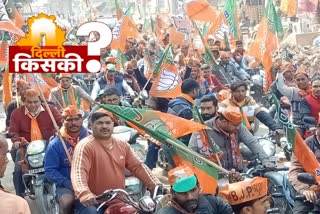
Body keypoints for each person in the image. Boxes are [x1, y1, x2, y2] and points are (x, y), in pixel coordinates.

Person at [71, 108, 162, 214]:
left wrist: (155, 185)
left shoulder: (122, 144)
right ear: (91, 125)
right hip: (93, 201)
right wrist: (84, 193)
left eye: (108, 123)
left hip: (119, 199)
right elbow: (78, 172)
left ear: (113, 124)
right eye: (100, 123)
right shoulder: (85, 146)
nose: (104, 126)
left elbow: (138, 166)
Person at [9, 89, 63, 197]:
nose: (33, 105)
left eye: (35, 102)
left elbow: (61, 123)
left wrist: (61, 132)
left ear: (40, 101)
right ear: (24, 101)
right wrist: (17, 141)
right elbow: (13, 132)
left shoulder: (50, 109)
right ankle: (20, 197)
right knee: (18, 171)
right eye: (29, 102)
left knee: (63, 164)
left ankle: (64, 189)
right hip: (26, 146)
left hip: (49, 144)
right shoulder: (16, 113)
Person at [189, 106, 270, 171]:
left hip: (238, 171)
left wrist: (265, 160)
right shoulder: (203, 129)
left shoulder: (239, 127)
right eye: (235, 125)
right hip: (215, 173)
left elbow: (253, 143)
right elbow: (191, 152)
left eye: (239, 125)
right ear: (224, 122)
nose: (238, 128)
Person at [45, 106, 90, 214]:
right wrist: (68, 183)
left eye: (76, 119)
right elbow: (50, 170)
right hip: (67, 184)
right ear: (63, 121)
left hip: (91, 180)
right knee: (66, 202)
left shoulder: (91, 137)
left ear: (82, 120)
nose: (73, 123)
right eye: (69, 120)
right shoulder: (55, 144)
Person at [156, 166, 233, 214]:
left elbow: (235, 211)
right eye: (183, 193)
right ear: (172, 193)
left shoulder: (212, 201)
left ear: (199, 187)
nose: (190, 197)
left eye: (193, 190)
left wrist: (236, 188)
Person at [288, 114, 320, 213]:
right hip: (312, 188)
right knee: (300, 211)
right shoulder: (305, 146)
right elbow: (295, 171)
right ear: (318, 128)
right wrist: (305, 189)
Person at [276, 66, 311, 137]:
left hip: (312, 125)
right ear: (295, 81)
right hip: (297, 125)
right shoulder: (293, 91)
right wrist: (279, 74)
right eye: (298, 80)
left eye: (303, 79)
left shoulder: (315, 91)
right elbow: (280, 87)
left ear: (308, 79)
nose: (301, 82)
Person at [0, 135, 31, 213]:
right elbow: (14, 134)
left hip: (41, 148)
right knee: (18, 171)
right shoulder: (17, 205)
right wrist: (19, 143)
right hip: (23, 149)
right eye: (4, 154)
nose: (7, 160)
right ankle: (20, 193)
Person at [167, 79, 200, 145]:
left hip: (170, 140)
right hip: (177, 146)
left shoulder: (175, 102)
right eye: (198, 90)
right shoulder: (186, 110)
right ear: (194, 90)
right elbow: (186, 136)